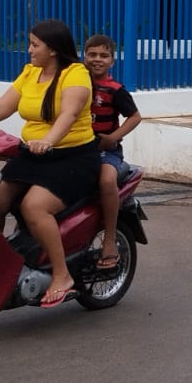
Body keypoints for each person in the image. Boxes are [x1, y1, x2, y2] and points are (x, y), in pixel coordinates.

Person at [0, 19, 96, 308]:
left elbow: (70, 113)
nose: (29, 50)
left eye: (35, 45)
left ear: (53, 49)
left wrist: (48, 140)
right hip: (32, 155)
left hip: (72, 157)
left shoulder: (76, 74)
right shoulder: (30, 72)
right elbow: (1, 107)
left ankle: (62, 275)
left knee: (34, 207)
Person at [84, 33, 142, 270]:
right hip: (77, 150)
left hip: (105, 152)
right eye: (92, 54)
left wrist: (113, 138)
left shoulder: (115, 89)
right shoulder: (76, 84)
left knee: (107, 181)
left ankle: (109, 239)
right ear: (84, 57)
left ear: (112, 61)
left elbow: (135, 116)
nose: (97, 59)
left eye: (103, 55)